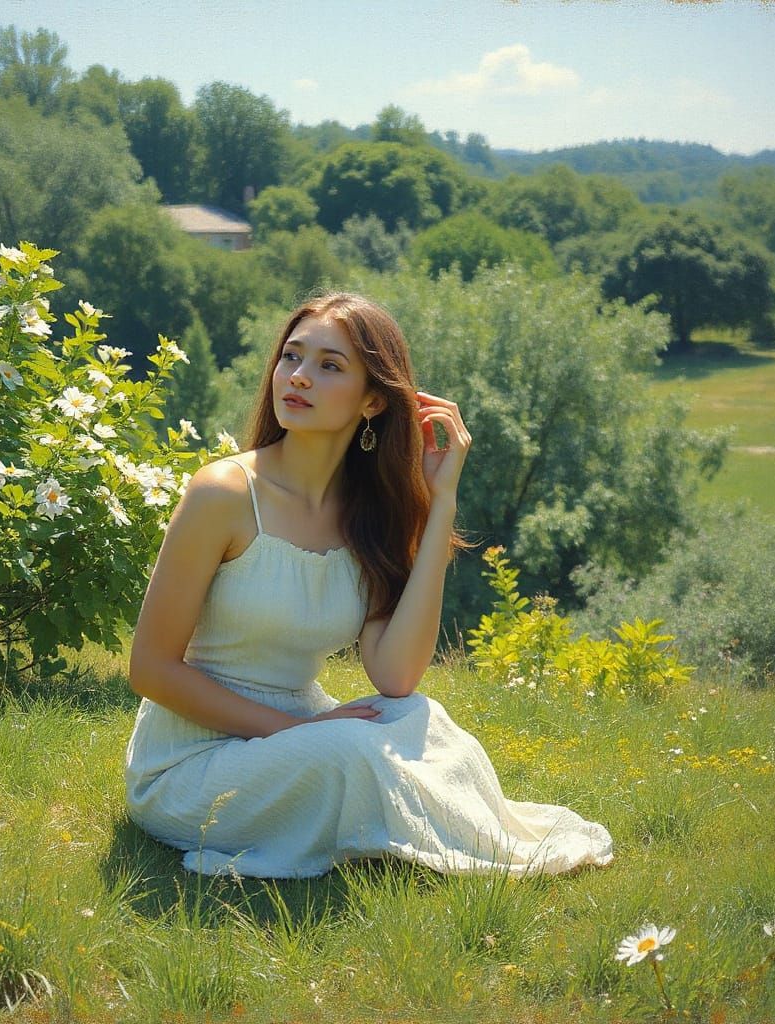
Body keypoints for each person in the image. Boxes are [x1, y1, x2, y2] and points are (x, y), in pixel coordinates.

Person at [124, 292, 614, 879]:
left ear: (374, 400)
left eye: (330, 366)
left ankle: (466, 840)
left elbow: (395, 676)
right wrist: (298, 732)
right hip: (190, 764)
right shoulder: (223, 494)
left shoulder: (369, 519)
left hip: (303, 739)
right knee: (352, 749)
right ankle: (441, 845)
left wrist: (440, 506)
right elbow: (150, 669)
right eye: (292, 357)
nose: (299, 377)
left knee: (419, 718)